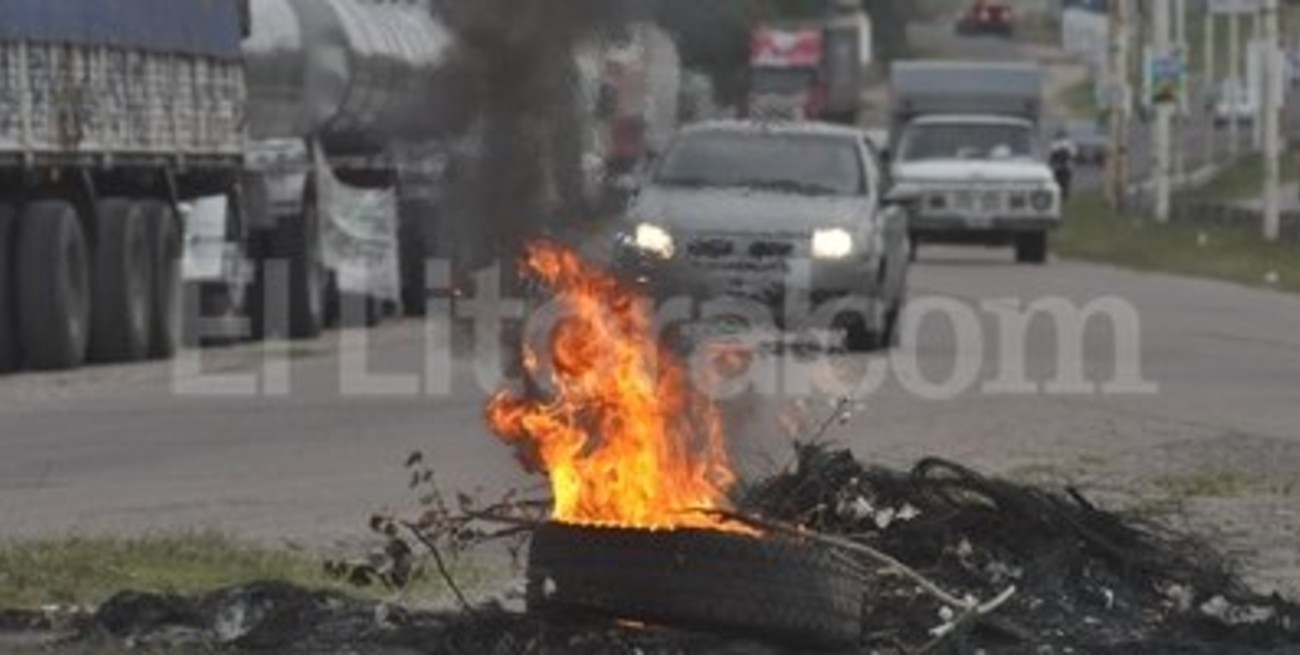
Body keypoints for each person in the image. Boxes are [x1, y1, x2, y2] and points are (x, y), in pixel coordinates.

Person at [1049, 128, 1077, 200]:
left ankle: (1060, 196)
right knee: (1065, 182)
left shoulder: (1055, 144)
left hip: (1060, 165)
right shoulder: (1068, 144)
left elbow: (1052, 156)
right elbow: (1073, 155)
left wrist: (1053, 164)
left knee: (1059, 181)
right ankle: (1064, 196)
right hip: (1065, 165)